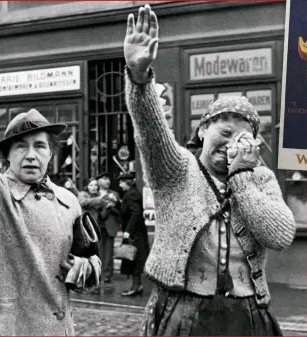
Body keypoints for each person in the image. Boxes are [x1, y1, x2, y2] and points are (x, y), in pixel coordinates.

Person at [123, 5, 296, 336]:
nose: (231, 143)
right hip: (184, 313)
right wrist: (139, 78)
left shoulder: (260, 178)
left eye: (243, 136)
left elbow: (280, 235)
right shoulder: (176, 168)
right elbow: (149, 130)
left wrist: (241, 177)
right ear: (203, 130)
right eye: (225, 132)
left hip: (247, 314)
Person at [0, 71, 101, 336]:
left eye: (39, 146)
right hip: (1, 328)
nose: (31, 155)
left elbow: (88, 259)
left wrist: (86, 267)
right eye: (21, 147)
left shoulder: (68, 201)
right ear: (7, 155)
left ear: (51, 153)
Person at [117, 172, 149, 297]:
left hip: (134, 234)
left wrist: (128, 231)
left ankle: (136, 287)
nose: (120, 185)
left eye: (121, 182)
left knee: (134, 259)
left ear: (127, 183)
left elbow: (135, 213)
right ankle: (137, 285)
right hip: (137, 232)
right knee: (134, 259)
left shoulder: (131, 194)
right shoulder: (132, 193)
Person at [96, 172, 121, 283]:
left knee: (108, 251)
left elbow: (119, 210)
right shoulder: (94, 193)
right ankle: (97, 271)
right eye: (104, 179)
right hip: (96, 224)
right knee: (97, 250)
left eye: (108, 179)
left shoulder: (114, 194)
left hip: (110, 224)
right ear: (98, 181)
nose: (107, 181)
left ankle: (107, 274)